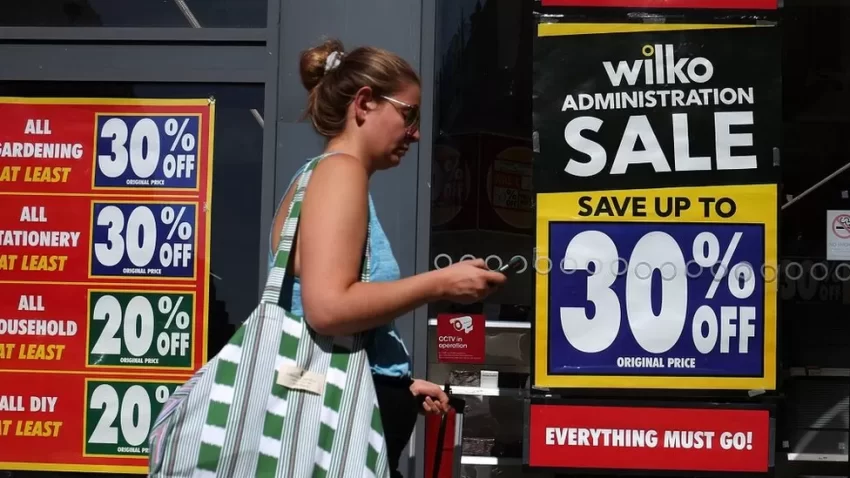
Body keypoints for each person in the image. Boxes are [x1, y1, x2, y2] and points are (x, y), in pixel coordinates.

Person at [267, 38, 507, 476]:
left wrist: (398, 383)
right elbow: (327, 308)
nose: (415, 132)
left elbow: (321, 314)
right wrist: (440, 284)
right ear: (365, 104)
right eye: (408, 114)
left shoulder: (319, 176)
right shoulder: (340, 173)